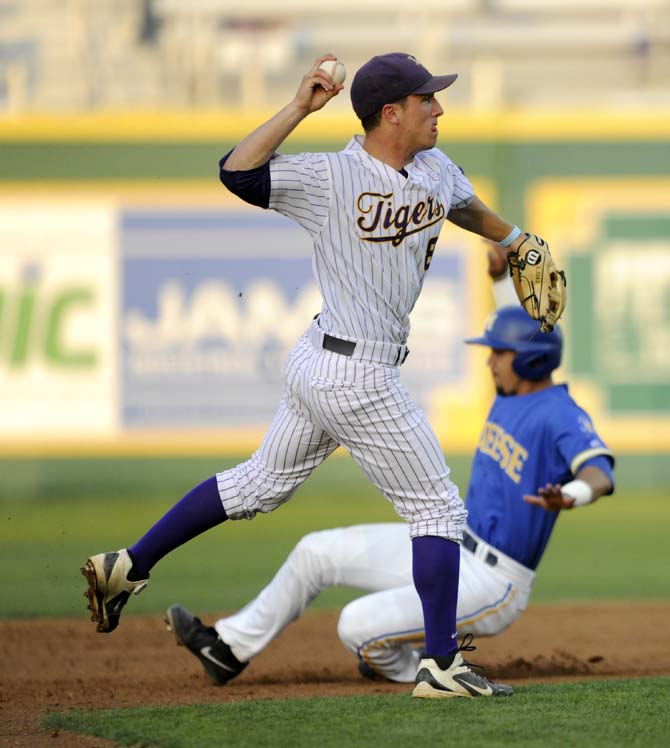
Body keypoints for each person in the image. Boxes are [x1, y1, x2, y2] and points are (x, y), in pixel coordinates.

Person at [82, 51, 550, 700]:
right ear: (391, 114)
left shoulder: (437, 167)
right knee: (439, 510)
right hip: (355, 372)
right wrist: (299, 108)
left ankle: (129, 564)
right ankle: (440, 665)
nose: (439, 108)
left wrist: (519, 240)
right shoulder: (330, 178)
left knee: (258, 485)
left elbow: (467, 207)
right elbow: (237, 173)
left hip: (323, 365)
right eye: (426, 101)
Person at [164, 251, 614, 686]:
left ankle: (409, 663)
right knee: (314, 553)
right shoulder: (514, 392)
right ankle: (227, 650)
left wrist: (571, 495)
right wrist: (499, 277)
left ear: (530, 361)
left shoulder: (559, 413)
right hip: (457, 545)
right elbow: (523, 335)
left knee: (355, 626)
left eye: (498, 353)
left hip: (495, 582)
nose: (489, 359)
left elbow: (600, 473)